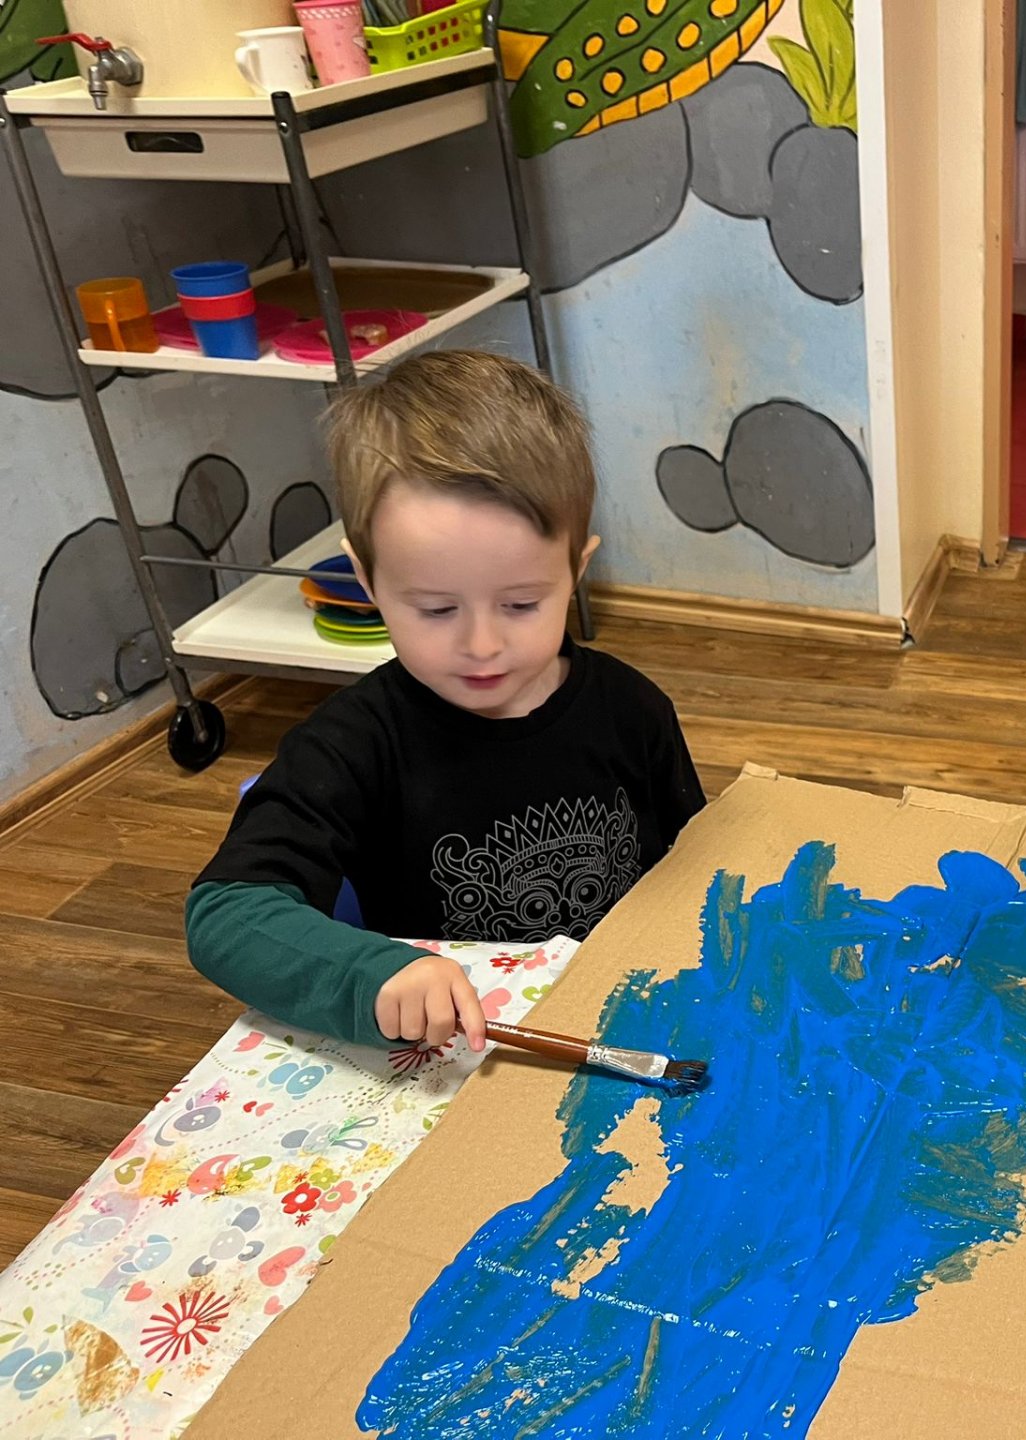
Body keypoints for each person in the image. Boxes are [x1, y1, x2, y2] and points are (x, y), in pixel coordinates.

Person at [187, 351, 705, 1054]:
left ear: (576, 570)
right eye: (435, 609)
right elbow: (226, 915)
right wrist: (372, 975)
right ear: (367, 580)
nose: (482, 645)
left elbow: (695, 869)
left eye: (521, 603)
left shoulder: (632, 709)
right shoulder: (352, 744)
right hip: (460, 1055)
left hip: (629, 1022)